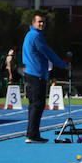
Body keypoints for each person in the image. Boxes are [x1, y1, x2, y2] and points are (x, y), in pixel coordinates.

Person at [22, 11, 68, 143]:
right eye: (39, 21)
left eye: (43, 22)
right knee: (37, 105)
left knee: (34, 105)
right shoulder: (36, 36)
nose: (42, 24)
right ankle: (32, 135)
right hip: (36, 74)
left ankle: (32, 133)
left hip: (32, 73)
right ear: (33, 23)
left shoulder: (31, 35)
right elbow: (48, 52)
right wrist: (62, 64)